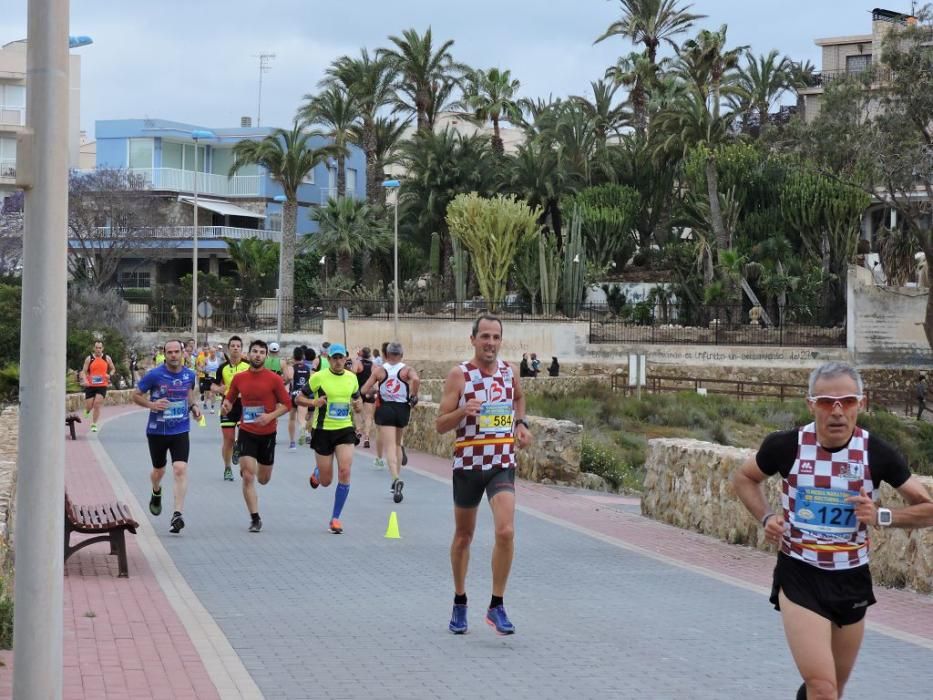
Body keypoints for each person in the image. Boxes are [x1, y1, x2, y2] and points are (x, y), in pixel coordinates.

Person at [732, 362, 933, 700]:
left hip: (851, 577)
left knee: (832, 690)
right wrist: (767, 518)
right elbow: (744, 478)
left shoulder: (876, 453)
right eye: (827, 402)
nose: (837, 411)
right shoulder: (787, 446)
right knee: (823, 689)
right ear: (811, 405)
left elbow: (927, 509)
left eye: (847, 402)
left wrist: (881, 516)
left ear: (862, 404)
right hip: (800, 573)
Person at [435, 315, 533, 636]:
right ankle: (460, 601)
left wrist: (521, 424)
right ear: (473, 339)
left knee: (505, 532)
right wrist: (464, 411)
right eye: (485, 336)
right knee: (464, 536)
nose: (490, 342)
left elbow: (518, 398)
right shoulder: (459, 375)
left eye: (496, 337)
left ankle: (497, 605)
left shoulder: (510, 372)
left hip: (501, 462)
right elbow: (439, 424)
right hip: (468, 465)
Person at [222, 340, 291, 533]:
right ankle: (255, 518)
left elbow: (287, 404)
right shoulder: (239, 378)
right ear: (248, 354)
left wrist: (269, 416)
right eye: (255, 352)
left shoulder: (274, 379)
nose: (258, 355)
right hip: (247, 431)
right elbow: (231, 396)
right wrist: (226, 405)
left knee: (263, 479)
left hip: (268, 434)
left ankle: (251, 465)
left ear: (266, 356)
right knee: (248, 476)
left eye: (262, 352)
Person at [132, 339, 201, 534]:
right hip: (157, 431)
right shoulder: (154, 375)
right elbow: (136, 395)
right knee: (159, 471)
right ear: (164, 354)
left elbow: (188, 393)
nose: (173, 355)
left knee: (180, 469)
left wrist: (194, 406)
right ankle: (156, 489)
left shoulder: (190, 374)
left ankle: (177, 514)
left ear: (182, 353)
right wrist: (152, 405)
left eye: (176, 351)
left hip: (180, 429)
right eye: (169, 352)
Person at [297, 342, 361, 534]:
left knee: (345, 471)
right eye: (335, 358)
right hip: (323, 430)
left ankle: (335, 518)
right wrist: (313, 402)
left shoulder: (352, 378)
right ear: (328, 359)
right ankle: (318, 473)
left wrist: (358, 407)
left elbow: (357, 399)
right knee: (326, 481)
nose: (338, 361)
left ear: (345, 358)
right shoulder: (318, 377)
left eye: (341, 357)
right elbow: (298, 398)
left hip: (344, 429)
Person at [360, 341, 420, 503]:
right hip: (402, 409)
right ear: (401, 355)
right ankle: (397, 478)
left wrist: (375, 390)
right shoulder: (407, 370)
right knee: (398, 444)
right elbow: (415, 380)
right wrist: (414, 396)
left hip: (385, 409)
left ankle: (395, 478)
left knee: (390, 447)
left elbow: (364, 390)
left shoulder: (380, 370)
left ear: (386, 355)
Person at [211, 336, 250, 482]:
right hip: (228, 405)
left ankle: (238, 447)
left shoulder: (248, 366)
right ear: (228, 348)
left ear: (241, 349)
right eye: (232, 346)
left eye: (238, 346)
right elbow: (213, 386)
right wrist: (219, 388)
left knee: (244, 436)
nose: (235, 348)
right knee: (227, 439)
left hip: (245, 405)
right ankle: (227, 468)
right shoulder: (223, 368)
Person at [80, 340, 117, 433]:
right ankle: (87, 411)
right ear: (94, 348)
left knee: (97, 404)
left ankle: (94, 424)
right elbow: (84, 371)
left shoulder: (107, 358)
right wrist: (84, 380)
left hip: (102, 385)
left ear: (102, 348)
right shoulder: (89, 358)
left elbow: (113, 369)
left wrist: (110, 375)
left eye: (100, 348)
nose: (98, 350)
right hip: (90, 385)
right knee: (89, 406)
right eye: (96, 348)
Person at [286, 345, 314, 450]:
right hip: (303, 395)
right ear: (302, 357)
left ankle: (292, 442)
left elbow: (289, 377)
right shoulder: (308, 368)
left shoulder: (292, 367)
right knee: (302, 418)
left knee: (292, 418)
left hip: (294, 394)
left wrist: (286, 382)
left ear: (294, 356)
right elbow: (311, 381)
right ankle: (304, 431)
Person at [354, 347, 375, 449]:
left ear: (361, 354)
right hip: (369, 392)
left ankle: (358, 430)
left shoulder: (358, 363)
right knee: (368, 416)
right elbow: (377, 379)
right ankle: (366, 438)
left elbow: (352, 374)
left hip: (358, 391)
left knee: (357, 411)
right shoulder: (373, 365)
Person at [199, 344, 222, 414]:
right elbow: (201, 368)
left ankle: (212, 407)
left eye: (214, 352)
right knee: (207, 393)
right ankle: (205, 403)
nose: (213, 353)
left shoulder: (218, 360)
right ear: (209, 352)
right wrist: (205, 371)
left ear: (215, 352)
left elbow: (220, 369)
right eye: (211, 352)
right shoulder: (206, 359)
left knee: (213, 393)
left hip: (214, 378)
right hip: (207, 377)